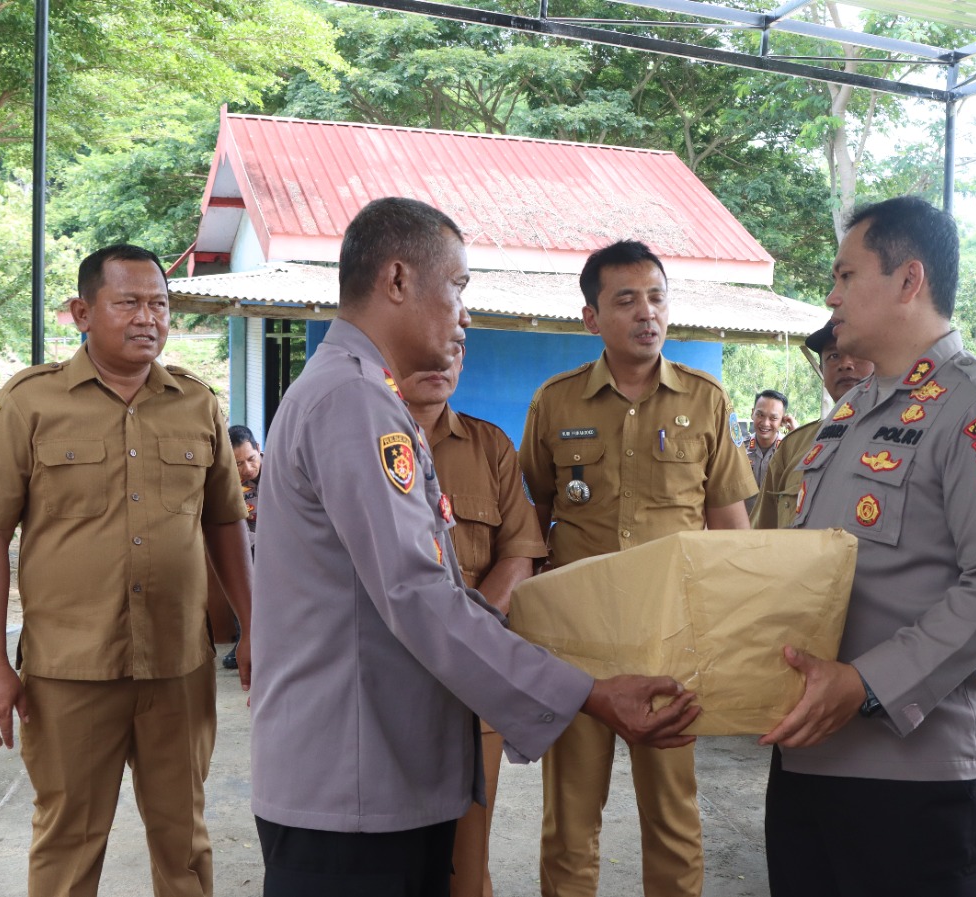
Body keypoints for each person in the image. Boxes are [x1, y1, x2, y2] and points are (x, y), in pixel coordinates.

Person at [249, 197, 699, 897]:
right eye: (457, 286)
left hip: (375, 769)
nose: (465, 312)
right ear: (398, 280)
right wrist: (587, 691)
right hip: (356, 788)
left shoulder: (363, 395)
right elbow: (419, 594)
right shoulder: (355, 401)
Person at [758, 196, 976, 897]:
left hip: (916, 779)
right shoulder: (853, 409)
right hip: (812, 761)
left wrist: (865, 684)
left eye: (845, 274)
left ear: (908, 280)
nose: (831, 296)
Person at [0, 244, 255, 897]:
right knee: (68, 841)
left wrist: (254, 627)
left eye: (159, 303)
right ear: (81, 312)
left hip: (179, 666)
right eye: (129, 302)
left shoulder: (198, 404)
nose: (148, 317)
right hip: (70, 672)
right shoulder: (29, 404)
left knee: (186, 842)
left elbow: (226, 524)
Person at [519, 239, 757, 897]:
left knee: (674, 820)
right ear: (592, 316)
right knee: (569, 827)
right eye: (625, 300)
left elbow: (731, 534)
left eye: (656, 296)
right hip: (576, 648)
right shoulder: (555, 402)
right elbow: (529, 526)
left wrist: (733, 642)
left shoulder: (706, 400)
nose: (646, 313)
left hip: (668, 647)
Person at [401, 345, 548, 897]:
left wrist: (462, 638)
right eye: (425, 347)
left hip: (471, 685)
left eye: (454, 351)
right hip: (382, 682)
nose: (439, 359)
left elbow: (520, 552)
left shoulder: (490, 446)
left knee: (467, 859)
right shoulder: (361, 436)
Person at [750, 327, 872, 529]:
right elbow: (762, 537)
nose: (845, 364)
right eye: (833, 356)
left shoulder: (914, 438)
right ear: (822, 371)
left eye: (858, 353)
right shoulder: (793, 447)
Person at [218, 424, 260, 671]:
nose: (247, 469)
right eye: (238, 464)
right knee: (239, 574)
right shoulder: (226, 483)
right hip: (250, 547)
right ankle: (245, 638)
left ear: (258, 449)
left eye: (251, 459)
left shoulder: (280, 472)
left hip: (282, 546)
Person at [744, 389, 788, 514]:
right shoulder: (739, 449)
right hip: (745, 525)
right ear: (752, 413)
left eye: (773, 418)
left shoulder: (789, 450)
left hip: (776, 526)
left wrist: (795, 433)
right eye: (760, 415)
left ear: (782, 421)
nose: (765, 423)